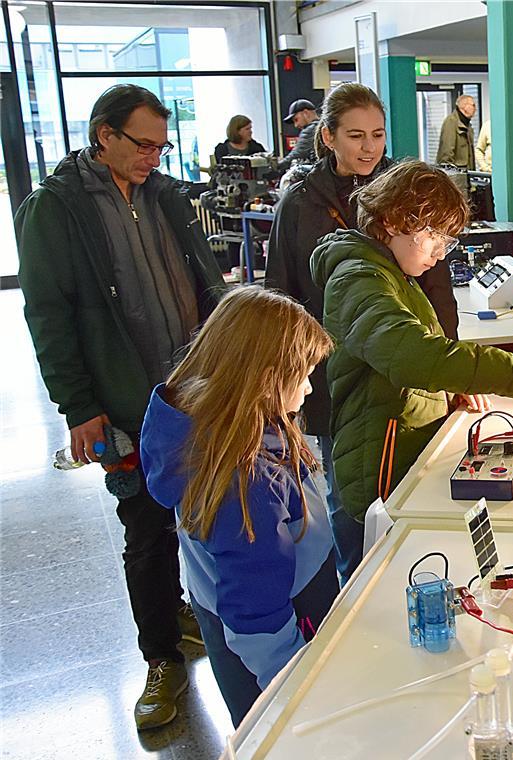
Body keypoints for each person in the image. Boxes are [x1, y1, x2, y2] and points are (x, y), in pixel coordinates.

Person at [14, 84, 224, 730]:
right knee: (145, 526)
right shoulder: (56, 210)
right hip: (126, 399)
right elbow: (47, 313)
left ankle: (185, 609)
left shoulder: (165, 196)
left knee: (202, 510)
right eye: (142, 144)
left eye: (162, 145)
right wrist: (79, 406)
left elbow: (204, 282)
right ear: (103, 135)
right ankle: (160, 658)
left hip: (196, 388)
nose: (153, 157)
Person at [311, 160, 513, 557]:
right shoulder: (357, 278)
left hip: (404, 451)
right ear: (393, 221)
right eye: (433, 236)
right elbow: (412, 354)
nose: (441, 253)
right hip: (380, 470)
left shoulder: (391, 273)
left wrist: (449, 390)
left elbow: (404, 362)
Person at [267, 83, 459, 582]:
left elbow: (438, 292)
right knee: (348, 490)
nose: (369, 147)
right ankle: (353, 593)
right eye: (355, 135)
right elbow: (281, 296)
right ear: (328, 137)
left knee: (408, 489)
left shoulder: (405, 188)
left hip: (403, 374)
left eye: (377, 134)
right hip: (329, 370)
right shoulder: (301, 203)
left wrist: (450, 364)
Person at [139, 286, 339, 728]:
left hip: (229, 610)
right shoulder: (245, 480)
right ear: (264, 378)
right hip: (278, 634)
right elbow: (255, 610)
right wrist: (294, 685)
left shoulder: (206, 423)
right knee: (276, 733)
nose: (308, 387)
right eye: (303, 375)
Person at [436, 94, 476, 169]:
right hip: (456, 173)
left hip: (466, 172)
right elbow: (446, 152)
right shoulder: (451, 122)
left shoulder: (467, 124)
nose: (475, 108)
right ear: (464, 106)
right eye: (473, 105)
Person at [280, 98, 320, 171]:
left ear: (306, 113)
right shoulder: (324, 125)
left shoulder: (311, 130)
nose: (296, 125)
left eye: (296, 119)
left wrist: (276, 167)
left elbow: (296, 154)